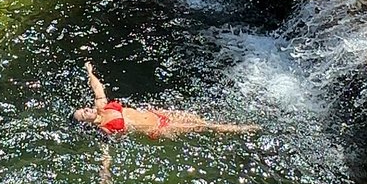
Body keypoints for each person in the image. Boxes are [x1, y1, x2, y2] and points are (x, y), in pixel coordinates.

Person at [74, 61, 257, 141]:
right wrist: (105, 178)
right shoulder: (105, 129)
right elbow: (106, 154)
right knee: (204, 127)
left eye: (83, 109)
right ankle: (241, 129)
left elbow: (98, 89)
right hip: (158, 128)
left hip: (156, 114)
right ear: (86, 123)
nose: (86, 110)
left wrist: (90, 73)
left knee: (198, 119)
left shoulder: (102, 107)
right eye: (83, 114)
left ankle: (233, 127)